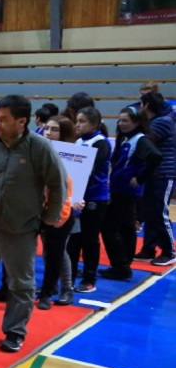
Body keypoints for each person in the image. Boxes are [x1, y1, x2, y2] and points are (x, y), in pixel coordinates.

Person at [0, 95, 65, 353]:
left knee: (21, 284)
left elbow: (57, 183)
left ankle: (15, 331)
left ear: (22, 121)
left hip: (21, 229)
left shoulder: (39, 147)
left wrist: (50, 217)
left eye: (4, 120)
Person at [101, 106, 161, 281]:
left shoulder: (140, 140)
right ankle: (124, 264)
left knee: (109, 227)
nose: (121, 124)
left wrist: (141, 178)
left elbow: (156, 157)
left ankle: (120, 265)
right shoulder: (128, 138)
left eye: (125, 120)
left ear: (136, 122)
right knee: (126, 226)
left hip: (125, 191)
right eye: (120, 120)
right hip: (121, 188)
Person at [66, 107, 111, 292]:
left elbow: (90, 169)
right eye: (77, 120)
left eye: (82, 121)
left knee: (90, 239)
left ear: (95, 124)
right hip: (77, 196)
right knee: (74, 238)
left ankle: (89, 278)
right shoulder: (77, 141)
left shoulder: (101, 143)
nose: (77, 124)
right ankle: (69, 274)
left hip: (94, 197)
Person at [36, 116, 77, 310]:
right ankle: (50, 286)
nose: (48, 133)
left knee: (59, 251)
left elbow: (81, 181)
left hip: (65, 209)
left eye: (54, 130)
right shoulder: (41, 150)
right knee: (47, 250)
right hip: (41, 208)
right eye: (47, 129)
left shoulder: (74, 154)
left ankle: (66, 288)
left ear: (64, 133)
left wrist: (78, 200)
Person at [136, 92, 176, 266]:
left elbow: (144, 141)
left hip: (164, 173)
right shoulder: (159, 120)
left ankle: (169, 250)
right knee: (149, 212)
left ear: (145, 105)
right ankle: (149, 248)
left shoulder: (163, 122)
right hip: (153, 173)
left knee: (160, 212)